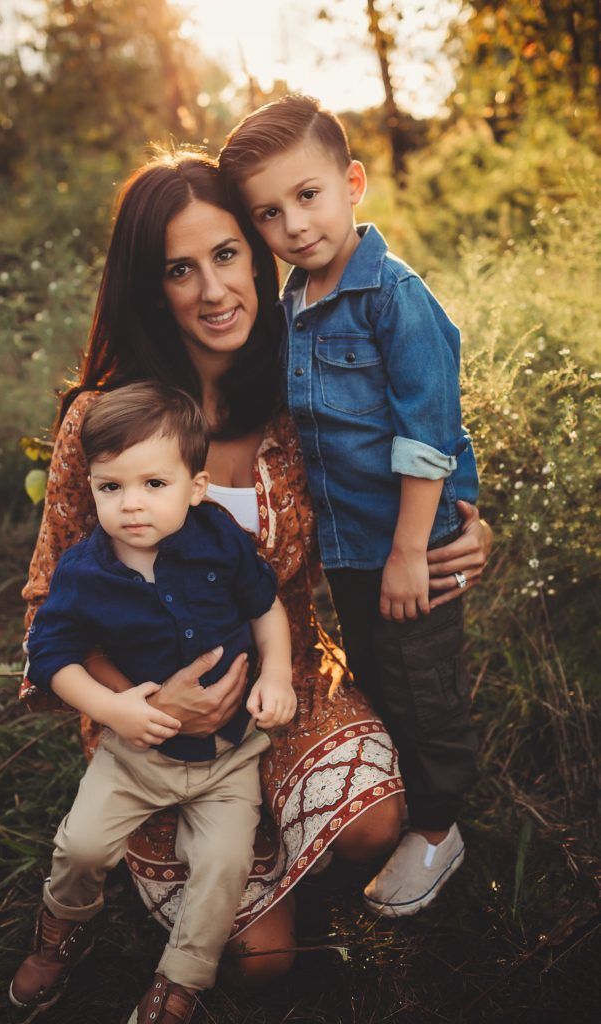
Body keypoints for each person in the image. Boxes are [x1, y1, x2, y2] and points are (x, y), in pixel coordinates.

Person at [20, 150, 491, 1016]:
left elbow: (392, 465)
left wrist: (465, 520)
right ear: (149, 286)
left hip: (290, 679)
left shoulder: (294, 396)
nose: (212, 289)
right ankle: (188, 898)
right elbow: (49, 602)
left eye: (228, 254)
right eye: (179, 269)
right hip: (149, 718)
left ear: (260, 252)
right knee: (260, 967)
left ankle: (294, 851)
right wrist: (147, 707)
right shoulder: (106, 420)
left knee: (374, 826)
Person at [219, 93, 480, 916]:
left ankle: (440, 826)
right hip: (352, 549)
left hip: (407, 547)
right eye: (269, 212)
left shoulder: (391, 297)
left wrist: (410, 548)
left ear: (353, 182)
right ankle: (402, 799)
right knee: (381, 676)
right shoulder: (294, 301)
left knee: (426, 684)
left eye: (308, 196)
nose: (294, 225)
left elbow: (428, 431)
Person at [11, 382, 296, 1020]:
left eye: (154, 485)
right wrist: (113, 711)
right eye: (111, 487)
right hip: (135, 751)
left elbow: (265, 608)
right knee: (81, 845)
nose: (131, 505)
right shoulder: (85, 573)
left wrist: (275, 674)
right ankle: (65, 928)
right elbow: (51, 654)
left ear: (196, 487)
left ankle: (182, 979)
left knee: (222, 864)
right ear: (91, 488)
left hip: (228, 758)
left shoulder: (217, 539)